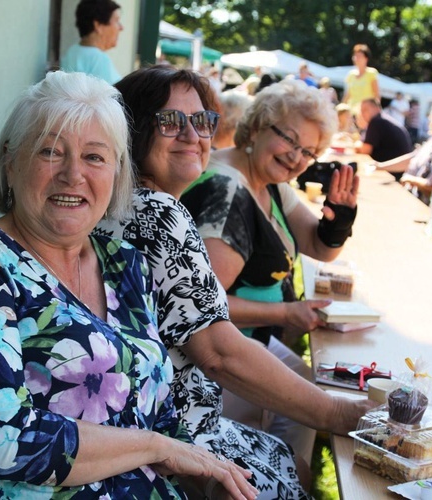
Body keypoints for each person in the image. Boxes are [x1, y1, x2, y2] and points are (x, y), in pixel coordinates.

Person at [0, 71, 257, 500]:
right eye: (51, 152)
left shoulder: (124, 262)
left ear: (117, 171)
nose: (73, 174)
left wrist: (213, 474)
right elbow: (4, 442)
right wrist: (153, 446)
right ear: (10, 163)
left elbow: (155, 410)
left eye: (94, 157)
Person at [95, 66, 374, 499]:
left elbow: (319, 245)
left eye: (203, 121)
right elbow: (219, 352)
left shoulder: (124, 202)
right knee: (291, 467)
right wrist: (339, 414)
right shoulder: (168, 211)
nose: (192, 135)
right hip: (170, 426)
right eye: (170, 121)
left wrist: (340, 220)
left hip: (147, 415)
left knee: (290, 452)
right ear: (130, 130)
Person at [60, 0, 123, 84]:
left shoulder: (71, 52)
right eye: (116, 21)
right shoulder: (99, 60)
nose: (121, 27)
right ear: (98, 26)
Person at [355, 98, 413, 176]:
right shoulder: (381, 120)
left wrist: (356, 144)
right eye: (361, 111)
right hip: (394, 171)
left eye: (365, 110)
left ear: (377, 108)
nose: (362, 114)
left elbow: (365, 150)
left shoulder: (376, 121)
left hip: (392, 173)